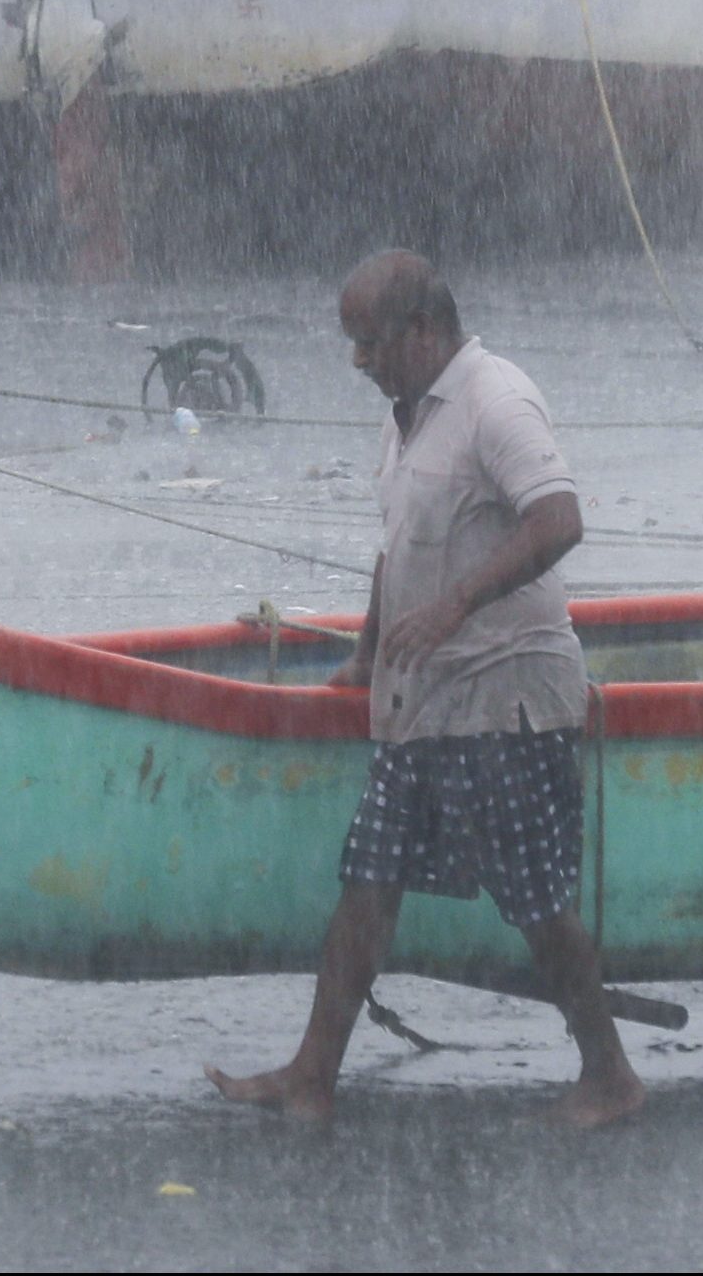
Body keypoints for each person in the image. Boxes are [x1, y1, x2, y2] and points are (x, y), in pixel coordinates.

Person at [211, 251, 642, 1130]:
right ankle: (312, 1075)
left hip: (506, 697)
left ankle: (610, 1074)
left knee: (534, 900)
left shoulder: (495, 401)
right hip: (423, 699)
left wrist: (455, 605)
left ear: (424, 331)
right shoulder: (405, 416)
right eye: (353, 344)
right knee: (367, 883)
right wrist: (369, 657)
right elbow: (396, 548)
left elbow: (559, 521)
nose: (359, 362)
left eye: (370, 342)